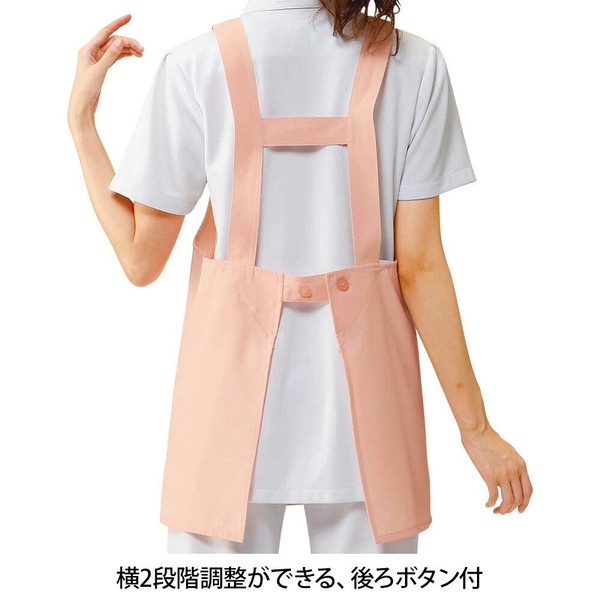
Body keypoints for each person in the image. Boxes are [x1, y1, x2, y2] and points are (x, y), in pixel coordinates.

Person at [68, 1, 533, 554]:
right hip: (372, 422)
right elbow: (421, 266)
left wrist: (81, 122)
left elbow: (140, 258)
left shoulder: (196, 63)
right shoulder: (415, 63)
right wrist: (476, 430)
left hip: (222, 415)